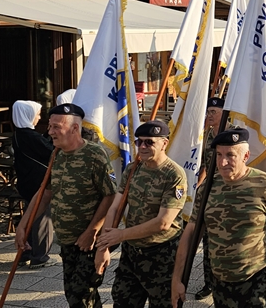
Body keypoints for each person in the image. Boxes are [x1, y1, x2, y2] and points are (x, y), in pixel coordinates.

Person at [172, 129, 266, 308]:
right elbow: (191, 234)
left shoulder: (265, 185)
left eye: (230, 155)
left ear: (245, 155)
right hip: (221, 282)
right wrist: (177, 279)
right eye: (219, 155)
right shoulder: (207, 189)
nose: (222, 162)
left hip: (257, 280)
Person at [15, 103, 117, 308]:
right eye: (50, 126)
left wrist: (92, 231)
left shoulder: (94, 155)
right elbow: (45, 194)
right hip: (67, 242)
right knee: (76, 293)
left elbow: (110, 196)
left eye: (56, 127)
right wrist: (24, 225)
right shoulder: (56, 154)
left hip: (89, 243)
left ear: (74, 128)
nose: (50, 131)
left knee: (79, 296)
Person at [97, 121, 186, 308]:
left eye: (149, 142)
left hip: (162, 255)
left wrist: (120, 235)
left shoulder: (174, 175)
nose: (143, 147)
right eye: (139, 142)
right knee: (122, 302)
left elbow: (163, 222)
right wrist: (103, 247)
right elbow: (115, 207)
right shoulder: (133, 169)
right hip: (132, 253)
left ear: (164, 143)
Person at [11, 99, 55, 268]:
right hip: (38, 182)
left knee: (30, 215)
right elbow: (50, 151)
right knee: (42, 217)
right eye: (37, 114)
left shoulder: (19, 134)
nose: (38, 118)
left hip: (27, 180)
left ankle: (25, 251)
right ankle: (40, 256)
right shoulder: (29, 136)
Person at [193, 97, 225, 300]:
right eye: (208, 111)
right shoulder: (204, 136)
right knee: (206, 239)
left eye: (214, 111)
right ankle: (208, 283)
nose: (210, 115)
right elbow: (203, 164)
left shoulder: (231, 133)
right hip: (208, 192)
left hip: (226, 192)